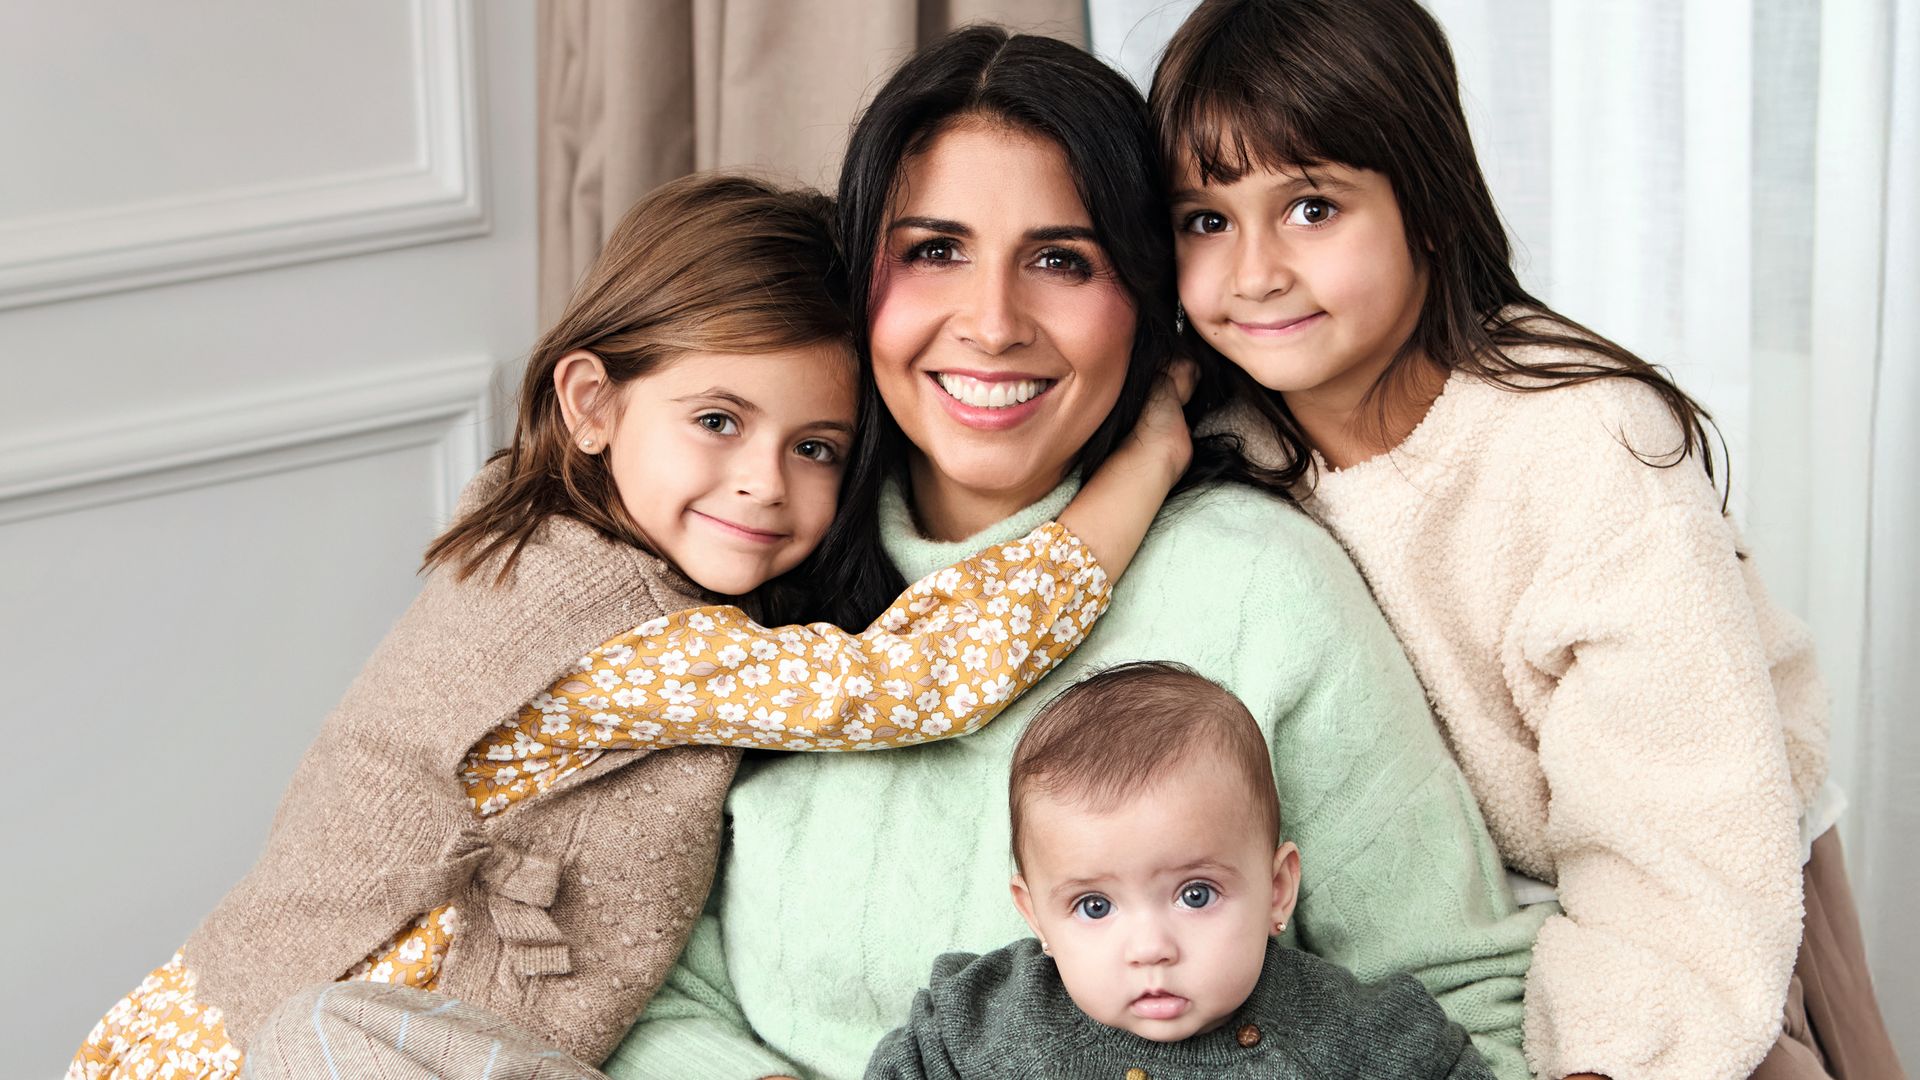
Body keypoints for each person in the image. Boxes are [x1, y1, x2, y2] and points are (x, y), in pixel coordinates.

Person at [67, 173, 1195, 1080]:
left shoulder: (533, 525)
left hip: (210, 1012)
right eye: (717, 420)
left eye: (816, 449)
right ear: (592, 404)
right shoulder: (626, 640)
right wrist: (1140, 469)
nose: (763, 483)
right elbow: (913, 680)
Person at [604, 27, 1547, 1080]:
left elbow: (1455, 1001)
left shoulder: (1259, 589)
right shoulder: (748, 557)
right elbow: (647, 995)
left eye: (1061, 259)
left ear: (1144, 294)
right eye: (935, 250)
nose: (995, 323)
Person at [1148, 2, 1908, 1079]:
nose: (1255, 270)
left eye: (1312, 207)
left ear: (1430, 208)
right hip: (1473, 912)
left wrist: (1614, 1052)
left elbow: (1683, 839)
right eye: (1205, 220)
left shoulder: (1581, 439)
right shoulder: (1218, 446)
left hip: (1704, 879)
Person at [866, 662, 1495, 1080]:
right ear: (1036, 917)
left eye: (1196, 894)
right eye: (1094, 906)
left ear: (1277, 892)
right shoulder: (985, 1021)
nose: (1151, 949)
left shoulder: (1341, 1029)